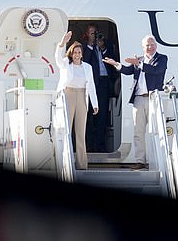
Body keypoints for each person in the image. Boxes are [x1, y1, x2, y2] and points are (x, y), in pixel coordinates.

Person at [104, 35, 167, 170]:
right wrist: (116, 64)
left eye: (152, 44)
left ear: (155, 45)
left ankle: (156, 160)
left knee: (155, 131)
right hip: (139, 98)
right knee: (138, 132)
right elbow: (127, 71)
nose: (150, 47)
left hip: (153, 98)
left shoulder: (162, 58)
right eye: (147, 45)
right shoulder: (139, 60)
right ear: (143, 47)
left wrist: (140, 64)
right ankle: (140, 161)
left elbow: (156, 71)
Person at [55, 31, 99, 170]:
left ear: (82, 54)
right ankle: (64, 162)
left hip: (82, 96)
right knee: (66, 130)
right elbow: (57, 57)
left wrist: (95, 103)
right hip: (68, 94)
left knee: (80, 132)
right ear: (71, 53)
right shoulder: (65, 64)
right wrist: (62, 43)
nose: (77, 55)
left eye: (79, 52)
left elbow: (91, 85)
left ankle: (81, 164)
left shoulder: (87, 67)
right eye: (75, 52)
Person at [82, 23, 117, 153]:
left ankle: (101, 145)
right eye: (92, 33)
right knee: (90, 115)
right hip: (90, 83)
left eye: (96, 32)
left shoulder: (105, 45)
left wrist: (102, 47)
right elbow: (84, 62)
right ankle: (89, 145)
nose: (95, 35)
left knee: (102, 115)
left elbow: (113, 60)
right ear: (87, 34)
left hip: (103, 82)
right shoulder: (84, 47)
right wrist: (91, 46)